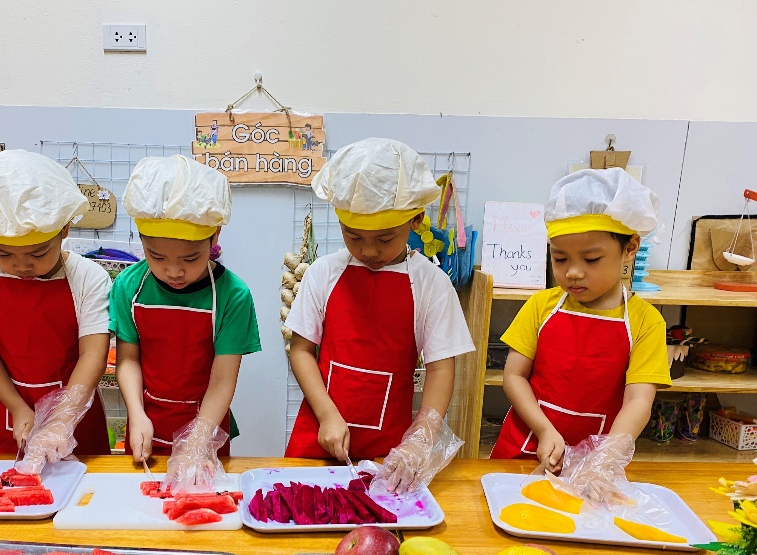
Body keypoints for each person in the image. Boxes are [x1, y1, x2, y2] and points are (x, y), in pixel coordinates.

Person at [285, 138, 475, 492]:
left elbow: (440, 368)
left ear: (416, 219)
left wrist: (420, 439)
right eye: (353, 237)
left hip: (391, 451)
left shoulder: (431, 283)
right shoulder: (323, 273)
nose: (369, 251)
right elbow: (300, 350)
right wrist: (327, 414)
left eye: (385, 239)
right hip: (318, 437)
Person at [491, 167, 671, 472]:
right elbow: (514, 376)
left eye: (591, 259)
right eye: (560, 258)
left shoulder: (646, 322)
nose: (573, 272)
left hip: (596, 459)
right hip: (525, 446)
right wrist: (544, 430)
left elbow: (638, 401)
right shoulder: (540, 306)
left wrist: (607, 458)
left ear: (630, 248)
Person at [0, 149, 112, 464]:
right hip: (11, 411)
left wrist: (62, 419)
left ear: (64, 230)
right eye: (3, 253)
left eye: (38, 253)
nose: (21, 265)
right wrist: (17, 407)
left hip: (76, 414)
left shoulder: (87, 276)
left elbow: (93, 354)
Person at [110, 155, 260, 477]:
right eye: (157, 257)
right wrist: (136, 413)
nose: (174, 271)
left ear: (215, 237)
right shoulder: (128, 286)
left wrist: (198, 441)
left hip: (207, 428)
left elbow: (222, 379)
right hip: (146, 426)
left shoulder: (233, 295)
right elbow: (128, 360)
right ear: (141, 241)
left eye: (190, 259)